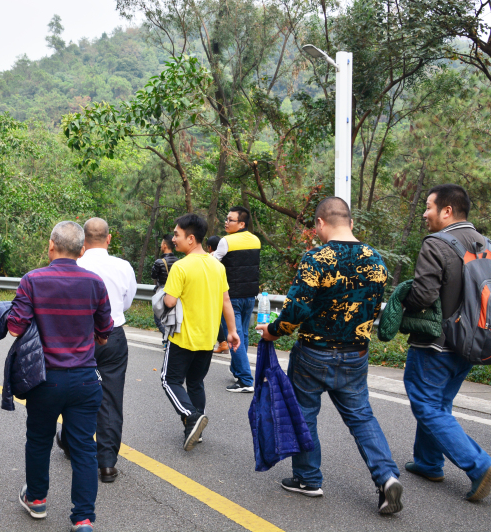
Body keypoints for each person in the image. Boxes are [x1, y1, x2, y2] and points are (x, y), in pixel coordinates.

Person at [256, 197, 403, 514]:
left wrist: (273, 331)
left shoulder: (316, 259)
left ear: (320, 223)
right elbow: (372, 309)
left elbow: (296, 309)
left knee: (305, 413)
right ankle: (387, 477)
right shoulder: (377, 261)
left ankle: (308, 479)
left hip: (314, 354)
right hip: (356, 354)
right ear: (350, 223)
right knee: (362, 418)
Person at [8, 221, 113, 532]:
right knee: (84, 447)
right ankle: (83, 519)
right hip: (84, 380)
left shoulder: (32, 280)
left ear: (50, 245)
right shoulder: (95, 282)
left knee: (39, 440)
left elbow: (15, 326)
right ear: (81, 250)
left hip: (45, 380)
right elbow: (104, 330)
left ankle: (37, 500)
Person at [401, 184, 491, 501]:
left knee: (426, 404)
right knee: (439, 404)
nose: (425, 213)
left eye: (429, 207)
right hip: (471, 343)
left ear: (447, 211)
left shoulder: (436, 244)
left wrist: (402, 300)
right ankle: (428, 462)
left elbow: (423, 295)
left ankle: (479, 465)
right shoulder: (486, 244)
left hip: (435, 343)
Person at [56, 217, 137, 484]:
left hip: (77, 336)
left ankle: (69, 442)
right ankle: (107, 464)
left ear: (82, 241)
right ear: (109, 238)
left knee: (74, 390)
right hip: (112, 335)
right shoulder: (123, 266)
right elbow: (125, 303)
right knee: (111, 397)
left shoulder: (74, 264)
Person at [161, 213, 240, 451]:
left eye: (177, 235)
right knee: (195, 382)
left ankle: (192, 417)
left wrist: (165, 295)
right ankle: (195, 429)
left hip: (183, 337)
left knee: (169, 380)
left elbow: (169, 302)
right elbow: (226, 300)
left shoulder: (180, 267)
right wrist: (232, 331)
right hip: (207, 338)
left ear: (191, 238)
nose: (173, 239)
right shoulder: (217, 266)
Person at [212, 206, 261, 392]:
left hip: (231, 297)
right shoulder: (256, 241)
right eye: (226, 218)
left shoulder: (226, 241)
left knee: (234, 336)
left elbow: (213, 263)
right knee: (243, 335)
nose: (226, 222)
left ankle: (246, 380)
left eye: (230, 220)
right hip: (250, 295)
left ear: (241, 223)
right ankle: (237, 369)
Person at [150, 234, 178, 334]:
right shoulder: (179, 261)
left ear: (165, 245)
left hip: (163, 292)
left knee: (158, 318)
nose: (161, 246)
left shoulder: (159, 262)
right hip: (175, 292)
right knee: (172, 317)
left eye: (162, 243)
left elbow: (153, 276)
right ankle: (168, 338)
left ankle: (167, 337)